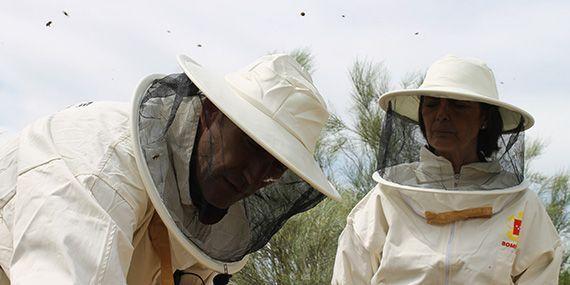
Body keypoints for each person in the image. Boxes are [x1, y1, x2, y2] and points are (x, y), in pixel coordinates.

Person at [0, 53, 341, 285]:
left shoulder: (215, 224)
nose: (254, 177)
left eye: (275, 166)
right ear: (210, 113)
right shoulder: (99, 163)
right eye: (253, 146)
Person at [332, 55, 562, 284]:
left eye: (459, 105)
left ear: (484, 118)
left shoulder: (521, 205)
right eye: (432, 104)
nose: (441, 114)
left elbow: (539, 273)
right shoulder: (385, 199)